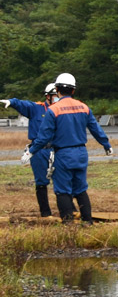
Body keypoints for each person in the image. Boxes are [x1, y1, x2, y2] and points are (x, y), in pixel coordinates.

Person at [26, 73, 112, 223]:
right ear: (73, 90)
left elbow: (44, 136)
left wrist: (31, 151)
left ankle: (68, 224)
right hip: (81, 153)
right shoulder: (84, 107)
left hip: (64, 154)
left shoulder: (53, 110)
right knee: (80, 189)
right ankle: (87, 222)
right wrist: (106, 145)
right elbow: (96, 129)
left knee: (62, 190)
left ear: (57, 89)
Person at [2, 82, 60, 217]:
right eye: (54, 96)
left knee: (62, 180)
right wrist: (11, 102)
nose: (57, 98)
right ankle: (45, 213)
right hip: (39, 150)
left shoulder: (62, 110)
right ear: (48, 97)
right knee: (41, 182)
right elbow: (23, 104)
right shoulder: (37, 108)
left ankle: (68, 211)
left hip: (58, 149)